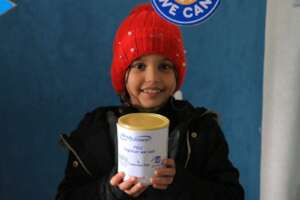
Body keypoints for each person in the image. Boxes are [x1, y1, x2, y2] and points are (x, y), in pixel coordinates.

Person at [56, 3, 244, 200]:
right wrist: (109, 190)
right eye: (139, 65)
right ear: (122, 75)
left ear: (176, 74)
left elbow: (232, 195)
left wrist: (181, 184)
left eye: (164, 66)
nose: (152, 77)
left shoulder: (201, 129)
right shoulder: (95, 129)